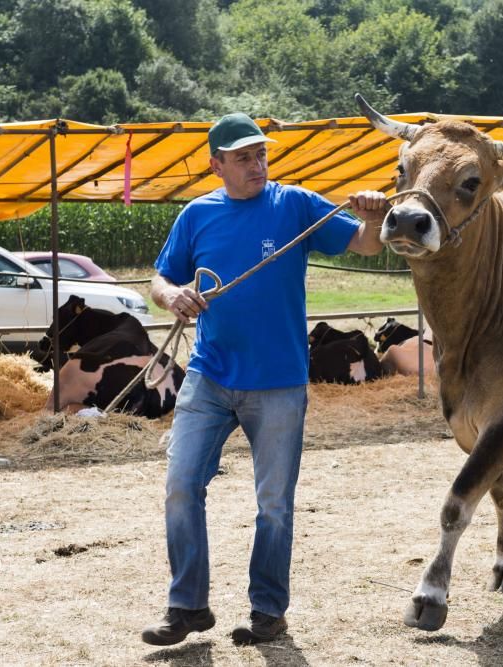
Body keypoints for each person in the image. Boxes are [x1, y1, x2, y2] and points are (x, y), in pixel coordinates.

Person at [141, 112, 386, 647]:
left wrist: (373, 214)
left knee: (273, 503)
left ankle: (268, 613)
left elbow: (367, 246)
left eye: (261, 154)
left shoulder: (294, 204)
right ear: (217, 164)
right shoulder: (196, 215)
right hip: (208, 377)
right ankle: (187, 607)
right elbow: (158, 279)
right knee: (182, 487)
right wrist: (172, 295)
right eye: (244, 157)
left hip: (278, 383)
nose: (257, 165)